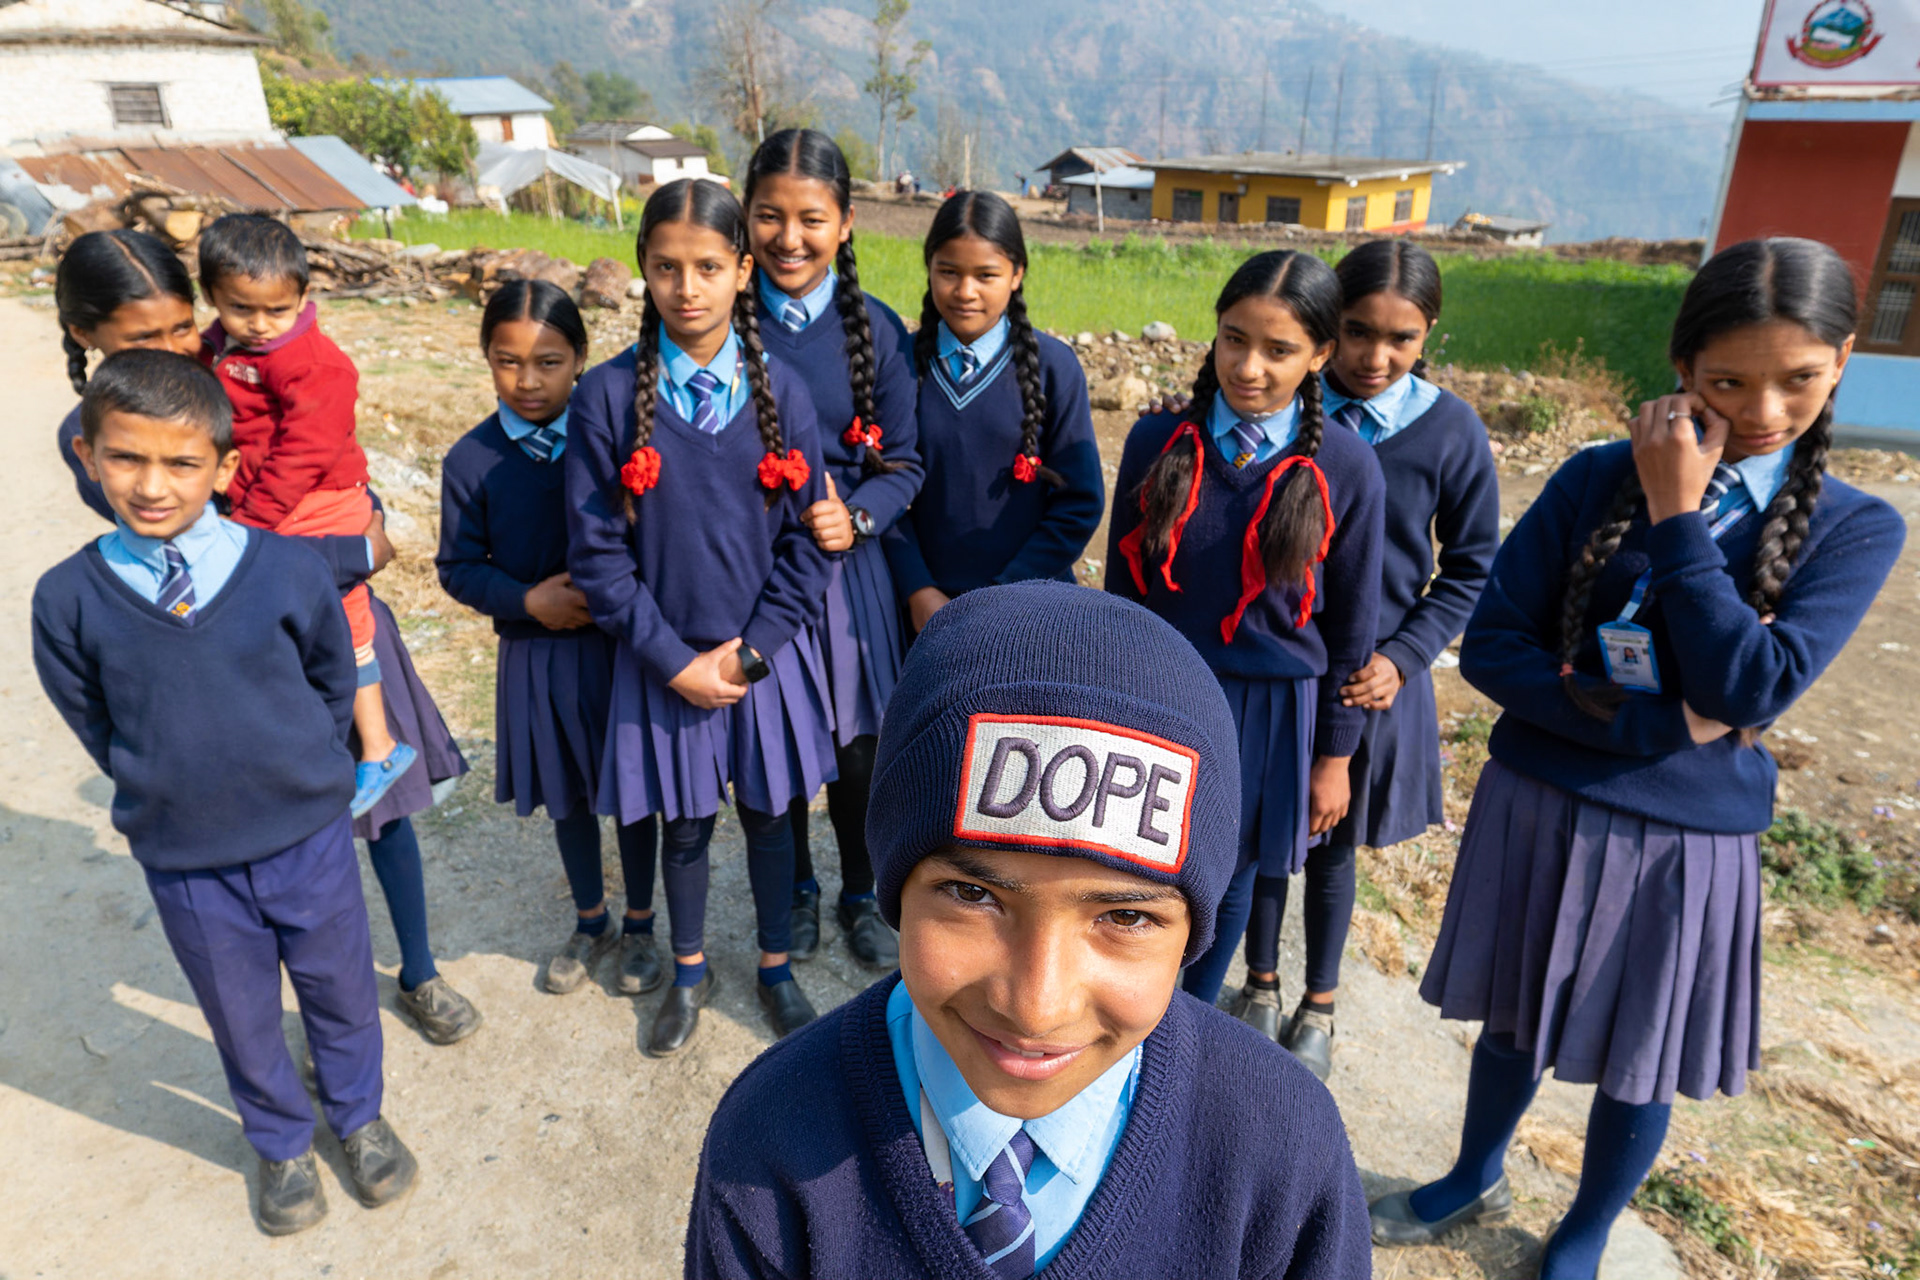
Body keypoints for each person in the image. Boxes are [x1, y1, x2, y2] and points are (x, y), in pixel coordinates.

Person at [1373, 238, 1906, 1280]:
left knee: (1641, 1051)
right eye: (1727, 380)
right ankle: (1475, 1168)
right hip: (1542, 800)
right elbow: (1491, 645)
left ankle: (1584, 1231)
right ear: (1680, 365)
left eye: (1798, 379)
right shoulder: (1588, 478)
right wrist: (1657, 725)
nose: (1761, 410)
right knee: (1512, 1018)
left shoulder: (1856, 527)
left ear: (1842, 358)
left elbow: (1752, 686)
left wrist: (1676, 516)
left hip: (1686, 842)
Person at [686, 582, 1373, 1279]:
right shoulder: (769, 1144)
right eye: (972, 894)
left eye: (1126, 916)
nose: (1036, 1007)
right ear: (896, 888)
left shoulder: (1285, 1152)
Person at [52, 227, 480, 1045]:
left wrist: (364, 511)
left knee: (382, 810)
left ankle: (420, 969)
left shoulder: (228, 366)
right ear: (86, 335)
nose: (176, 347)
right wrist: (353, 550)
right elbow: (196, 548)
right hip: (235, 661)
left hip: (333, 624)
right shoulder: (106, 440)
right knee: (283, 848)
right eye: (146, 337)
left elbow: (319, 453)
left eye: (183, 326)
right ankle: (323, 1016)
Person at [33, 350, 420, 1235]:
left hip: (306, 836)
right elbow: (95, 722)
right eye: (126, 458)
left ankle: (357, 1119)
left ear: (225, 467)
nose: (153, 485)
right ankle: (281, 1143)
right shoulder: (67, 600)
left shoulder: (285, 570)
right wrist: (168, 784)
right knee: (239, 1014)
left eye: (181, 462)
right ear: (89, 458)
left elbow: (331, 680)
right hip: (187, 858)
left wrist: (301, 772)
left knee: (340, 991)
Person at [565, 178, 834, 1055]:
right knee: (683, 828)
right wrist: (675, 662)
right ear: (642, 270)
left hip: (761, 662)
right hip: (664, 666)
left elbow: (807, 546)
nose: (688, 287)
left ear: (742, 270)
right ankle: (687, 971)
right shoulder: (607, 399)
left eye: (709, 267)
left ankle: (772, 966)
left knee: (767, 818)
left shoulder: (782, 394)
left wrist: (753, 653)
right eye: (667, 267)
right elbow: (599, 559)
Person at [1228, 239, 1500, 1076]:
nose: (1375, 357)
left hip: (1367, 680)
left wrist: (1408, 654)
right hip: (1285, 673)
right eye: (1355, 332)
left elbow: (1472, 565)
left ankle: (1320, 1002)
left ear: (1428, 337)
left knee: (1331, 845)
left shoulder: (1448, 431)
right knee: (1264, 838)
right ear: (1323, 329)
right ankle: (1261, 983)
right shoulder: (1281, 410)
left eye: (1402, 339)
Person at [1106, 249, 1385, 1012]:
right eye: (1234, 339)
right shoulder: (1157, 442)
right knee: (1143, 868)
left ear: (1321, 356)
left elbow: (1353, 628)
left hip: (1271, 713)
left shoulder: (1348, 468)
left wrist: (1335, 755)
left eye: (1279, 350)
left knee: (1227, 878)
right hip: (1161, 693)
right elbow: (1121, 599)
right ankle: (1129, 1008)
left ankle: (1184, 1025)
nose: (1249, 366)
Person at [437, 280, 661, 998]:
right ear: (485, 359)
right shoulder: (471, 461)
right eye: (507, 361)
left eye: (549, 362)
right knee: (566, 793)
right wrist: (527, 600)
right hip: (536, 656)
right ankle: (589, 919)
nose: (528, 381)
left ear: (582, 360)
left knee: (631, 787)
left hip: (617, 650)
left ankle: (640, 925)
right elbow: (458, 568)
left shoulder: (615, 444)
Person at [743, 127, 924, 971]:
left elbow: (905, 465)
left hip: (849, 581)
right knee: (774, 745)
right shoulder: (720, 325)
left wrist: (856, 515)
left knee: (858, 754)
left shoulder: (878, 332)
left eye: (810, 218)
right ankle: (796, 893)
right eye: (768, 217)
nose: (788, 237)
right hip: (750, 581)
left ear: (846, 224)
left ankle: (859, 888)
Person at [195, 213, 414, 817]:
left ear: (302, 299)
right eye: (243, 310)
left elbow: (305, 454)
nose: (260, 325)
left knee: (345, 621)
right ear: (212, 297)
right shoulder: (224, 345)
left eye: (277, 311)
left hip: (317, 500)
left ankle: (379, 747)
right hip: (271, 500)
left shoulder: (312, 363)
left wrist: (253, 521)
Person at [887, 191, 1104, 635]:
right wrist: (918, 589)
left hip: (1032, 610)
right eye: (949, 272)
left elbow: (1080, 503)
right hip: (924, 614)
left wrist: (1004, 593)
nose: (966, 292)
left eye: (986, 275)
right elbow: (883, 490)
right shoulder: (900, 365)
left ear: (1017, 274)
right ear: (929, 268)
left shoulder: (1053, 367)